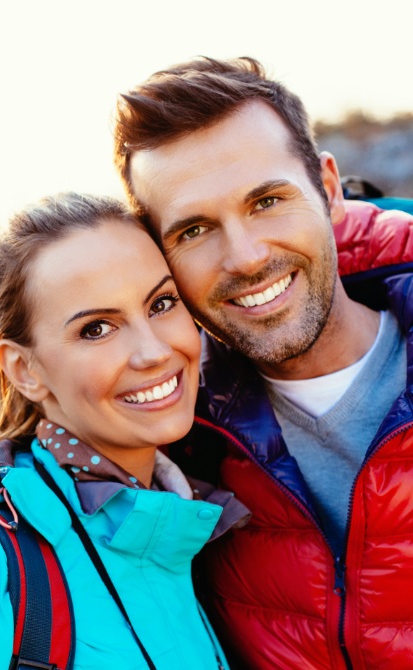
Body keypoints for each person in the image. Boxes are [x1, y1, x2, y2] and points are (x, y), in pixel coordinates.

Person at [112, 56, 413, 669]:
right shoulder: (171, 430)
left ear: (329, 191)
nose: (245, 258)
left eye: (268, 200)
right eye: (194, 231)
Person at [0, 192, 248, 669]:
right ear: (24, 368)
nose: (154, 351)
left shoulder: (181, 524)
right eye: (97, 329)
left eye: (161, 303)